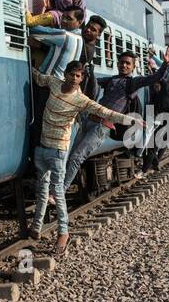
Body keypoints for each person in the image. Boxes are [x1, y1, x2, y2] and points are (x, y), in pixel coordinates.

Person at [29, 61, 141, 256]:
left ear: (81, 79)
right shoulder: (54, 84)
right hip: (42, 147)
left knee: (58, 192)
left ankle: (63, 233)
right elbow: (39, 77)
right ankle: (37, 227)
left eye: (79, 76)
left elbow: (105, 112)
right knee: (42, 188)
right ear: (65, 74)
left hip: (58, 150)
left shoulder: (81, 99)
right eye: (72, 74)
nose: (74, 78)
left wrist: (131, 120)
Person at [63, 45, 169, 192]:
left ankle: (60, 190)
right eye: (122, 62)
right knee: (70, 156)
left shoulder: (133, 83)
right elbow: (90, 82)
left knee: (77, 157)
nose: (124, 65)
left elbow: (155, 77)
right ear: (117, 64)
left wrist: (166, 63)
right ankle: (58, 187)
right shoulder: (112, 79)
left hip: (102, 126)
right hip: (89, 121)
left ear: (133, 67)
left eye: (128, 63)